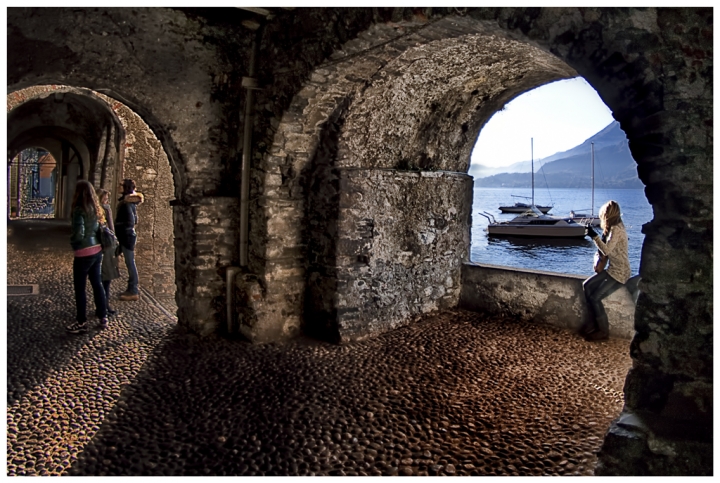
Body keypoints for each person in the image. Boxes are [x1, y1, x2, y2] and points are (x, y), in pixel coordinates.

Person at [580, 200, 631, 341]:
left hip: (620, 273)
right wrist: (599, 236)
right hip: (612, 269)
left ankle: (603, 331)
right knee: (587, 286)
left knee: (595, 297)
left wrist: (593, 236)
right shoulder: (616, 227)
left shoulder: (617, 229)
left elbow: (607, 250)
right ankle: (592, 323)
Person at [67, 180, 108, 333]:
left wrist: (74, 243)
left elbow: (79, 233)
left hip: (84, 252)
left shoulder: (79, 210)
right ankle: (103, 316)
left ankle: (81, 322)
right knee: (97, 283)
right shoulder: (96, 209)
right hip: (97, 250)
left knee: (80, 288)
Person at [114, 178, 144, 301]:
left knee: (130, 263)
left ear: (126, 187)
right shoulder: (126, 202)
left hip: (126, 237)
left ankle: (133, 290)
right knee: (128, 262)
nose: (118, 186)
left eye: (121, 185)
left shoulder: (127, 204)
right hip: (125, 236)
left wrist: (119, 226)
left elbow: (131, 222)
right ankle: (131, 289)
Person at [96, 188, 120, 316]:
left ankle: (103, 305)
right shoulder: (105, 210)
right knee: (105, 278)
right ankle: (103, 306)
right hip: (106, 247)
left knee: (103, 279)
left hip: (101, 247)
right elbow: (111, 228)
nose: (107, 202)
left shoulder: (95, 210)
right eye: (105, 199)